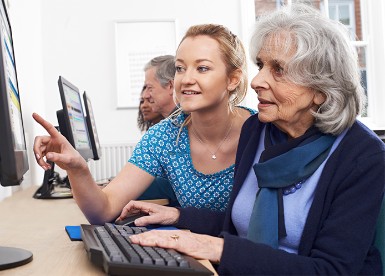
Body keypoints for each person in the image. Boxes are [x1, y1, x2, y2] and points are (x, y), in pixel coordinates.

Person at [117, 4, 385, 275]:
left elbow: (333, 270)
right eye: (261, 65)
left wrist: (219, 249)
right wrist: (180, 216)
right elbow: (246, 225)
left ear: (321, 89)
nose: (256, 80)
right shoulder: (256, 131)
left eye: (278, 69)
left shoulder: (362, 156)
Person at [33, 23, 256, 225]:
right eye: (180, 68)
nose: (186, 79)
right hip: (198, 258)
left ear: (233, 79)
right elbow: (103, 210)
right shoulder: (165, 136)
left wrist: (181, 217)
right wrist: (77, 168)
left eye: (202, 68)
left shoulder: (261, 131)